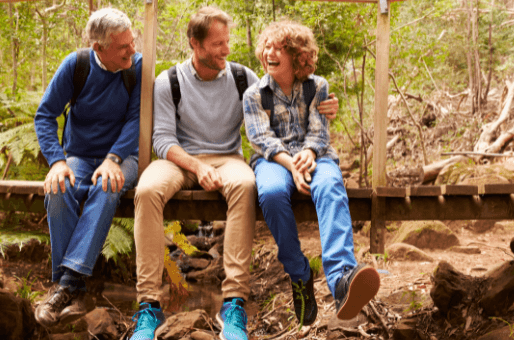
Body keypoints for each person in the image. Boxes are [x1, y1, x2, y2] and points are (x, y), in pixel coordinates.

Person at [129, 8, 339, 340]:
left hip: (228, 158)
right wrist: (197, 167)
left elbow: (284, 100)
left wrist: (324, 105)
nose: (226, 50)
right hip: (179, 160)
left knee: (245, 184)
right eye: (218, 44)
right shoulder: (168, 81)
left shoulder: (244, 79)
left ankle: (234, 303)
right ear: (195, 45)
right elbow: (162, 140)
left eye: (227, 41)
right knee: (146, 190)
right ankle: (148, 306)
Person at [242, 21, 380, 327]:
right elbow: (261, 139)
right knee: (273, 193)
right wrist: (291, 164)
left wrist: (308, 153)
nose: (269, 52)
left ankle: (342, 279)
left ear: (298, 55)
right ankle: (299, 274)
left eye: (279, 48)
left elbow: (319, 134)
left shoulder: (317, 86)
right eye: (267, 46)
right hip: (273, 160)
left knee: (330, 184)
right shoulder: (254, 94)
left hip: (315, 155)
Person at [33, 8, 142, 328]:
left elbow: (138, 119)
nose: (132, 51)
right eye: (124, 47)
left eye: (132, 42)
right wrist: (57, 161)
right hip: (79, 155)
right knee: (58, 187)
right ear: (99, 48)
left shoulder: (135, 69)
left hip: (125, 157)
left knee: (107, 185)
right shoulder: (76, 65)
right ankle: (78, 289)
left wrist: (114, 158)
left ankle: (64, 286)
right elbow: (45, 115)